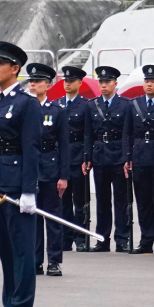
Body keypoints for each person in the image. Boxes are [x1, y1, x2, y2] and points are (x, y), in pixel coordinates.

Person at [0, 41, 41, 307]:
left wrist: (29, 191)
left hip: (16, 187)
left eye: (0, 63)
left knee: (22, 250)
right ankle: (7, 304)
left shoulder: (26, 103)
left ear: (15, 69)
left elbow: (32, 149)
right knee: (5, 249)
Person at [122, 65, 154, 254]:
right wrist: (128, 156)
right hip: (139, 156)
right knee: (142, 201)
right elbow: (128, 133)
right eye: (147, 81)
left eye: (153, 81)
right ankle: (146, 239)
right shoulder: (133, 104)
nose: (149, 84)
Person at [83, 67, 132, 252]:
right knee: (102, 201)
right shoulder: (92, 105)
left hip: (118, 156)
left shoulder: (126, 104)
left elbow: (127, 133)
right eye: (101, 82)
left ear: (115, 84)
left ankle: (122, 238)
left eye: (108, 82)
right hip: (99, 156)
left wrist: (127, 156)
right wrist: (87, 157)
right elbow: (88, 134)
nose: (104, 85)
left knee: (121, 200)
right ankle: (102, 238)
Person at [27, 63, 69, 277]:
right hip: (29, 169)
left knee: (53, 217)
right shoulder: (24, 109)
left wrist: (63, 176)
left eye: (37, 82)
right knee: (32, 218)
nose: (33, 85)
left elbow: (64, 144)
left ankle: (54, 260)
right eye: (31, 82)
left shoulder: (56, 111)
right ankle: (35, 261)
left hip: (51, 169)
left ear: (48, 85)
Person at [59, 66, 90, 252]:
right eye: (65, 81)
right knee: (63, 202)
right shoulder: (57, 104)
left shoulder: (86, 105)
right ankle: (65, 238)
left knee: (80, 202)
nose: (67, 84)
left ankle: (81, 236)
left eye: (71, 81)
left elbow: (88, 134)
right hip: (61, 158)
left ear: (79, 83)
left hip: (78, 158)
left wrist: (87, 157)